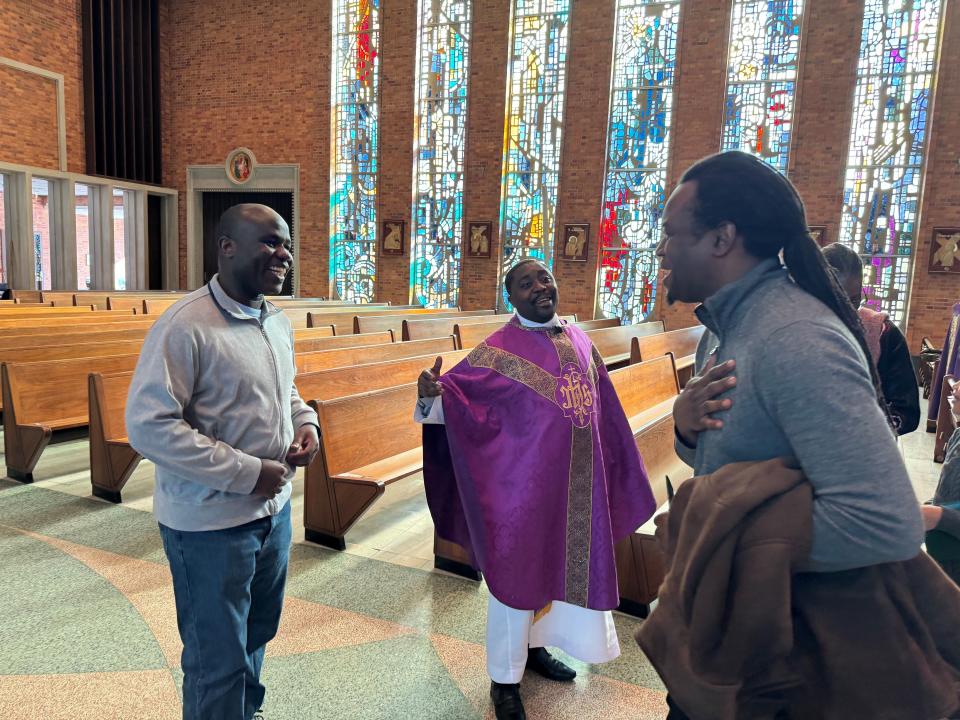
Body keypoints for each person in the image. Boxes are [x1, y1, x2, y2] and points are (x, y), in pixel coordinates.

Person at [655, 151, 923, 719]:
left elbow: (884, 520)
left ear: (722, 237)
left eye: (670, 232)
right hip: (734, 635)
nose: (660, 248)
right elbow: (724, 447)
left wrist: (720, 542)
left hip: (781, 658)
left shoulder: (795, 336)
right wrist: (684, 424)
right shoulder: (729, 325)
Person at [416, 259, 656, 720]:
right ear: (512, 297)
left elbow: (606, 412)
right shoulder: (498, 351)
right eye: (525, 284)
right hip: (522, 495)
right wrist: (429, 394)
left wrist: (618, 471)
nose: (539, 288)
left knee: (560, 573)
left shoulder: (580, 339)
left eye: (544, 278)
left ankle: (537, 650)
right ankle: (504, 680)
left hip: (576, 490)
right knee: (519, 579)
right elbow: (456, 402)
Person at [126, 204, 320, 720]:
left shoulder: (273, 320)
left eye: (285, 243)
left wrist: (306, 424)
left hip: (272, 516)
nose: (284, 254)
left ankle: (245, 712)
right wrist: (249, 473)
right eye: (269, 242)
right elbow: (149, 426)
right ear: (226, 247)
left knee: (257, 633)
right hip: (209, 525)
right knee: (217, 658)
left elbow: (286, 391)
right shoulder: (185, 326)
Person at [822, 242, 920, 434]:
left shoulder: (884, 333)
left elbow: (906, 412)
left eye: (854, 301)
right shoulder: (799, 331)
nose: (846, 311)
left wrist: (856, 427)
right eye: (834, 300)